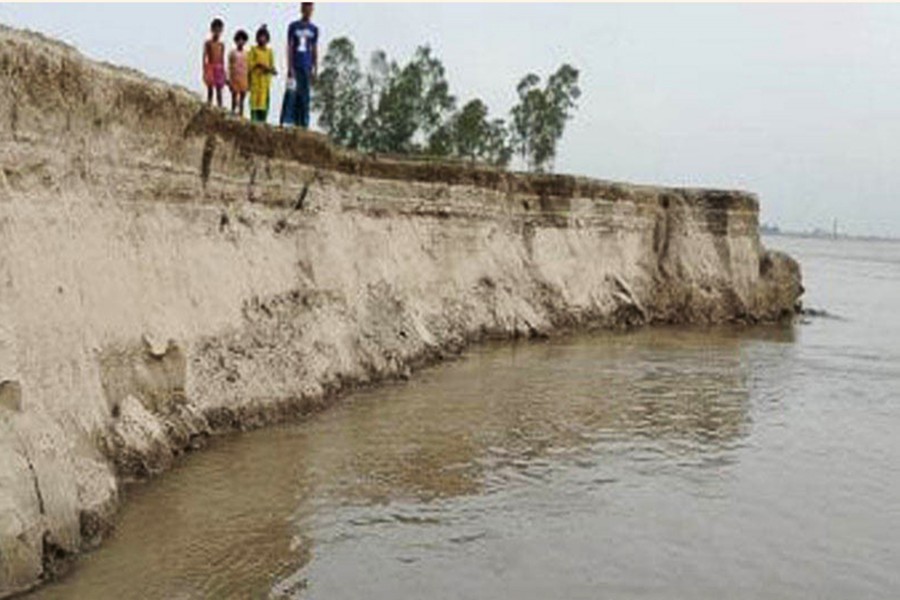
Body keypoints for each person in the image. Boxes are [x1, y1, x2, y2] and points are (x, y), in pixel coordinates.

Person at [286, 3, 319, 128]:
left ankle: (304, 122)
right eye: (306, 7)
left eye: (310, 8)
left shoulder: (314, 29)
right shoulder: (293, 26)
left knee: (305, 95)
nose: (308, 10)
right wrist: (290, 66)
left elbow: (314, 48)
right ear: (302, 9)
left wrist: (315, 67)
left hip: (307, 66)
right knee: (292, 93)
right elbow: (290, 47)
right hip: (295, 65)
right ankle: (289, 120)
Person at [248, 25, 277, 123]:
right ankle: (254, 122)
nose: (262, 39)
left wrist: (270, 69)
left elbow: (272, 67)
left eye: (264, 37)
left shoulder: (269, 52)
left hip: (265, 83)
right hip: (255, 82)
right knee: (254, 104)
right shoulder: (253, 50)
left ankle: (263, 123)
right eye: (260, 37)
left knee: (264, 104)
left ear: (267, 39)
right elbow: (250, 65)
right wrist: (258, 64)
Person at [202, 18, 226, 107]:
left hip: (219, 68)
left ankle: (220, 107)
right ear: (211, 30)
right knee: (210, 89)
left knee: (219, 90)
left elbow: (222, 58)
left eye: (219, 30)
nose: (217, 32)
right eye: (215, 30)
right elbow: (204, 56)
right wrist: (204, 68)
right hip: (210, 67)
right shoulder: (208, 43)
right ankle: (209, 105)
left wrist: (223, 71)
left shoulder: (221, 45)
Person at [228, 30, 250, 117]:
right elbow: (229, 66)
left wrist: (249, 79)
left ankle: (241, 113)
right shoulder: (232, 53)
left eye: (243, 40)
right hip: (235, 77)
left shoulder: (247, 53)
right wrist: (228, 79)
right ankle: (233, 112)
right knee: (234, 96)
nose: (241, 42)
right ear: (236, 41)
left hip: (244, 77)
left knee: (242, 97)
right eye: (239, 40)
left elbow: (248, 67)